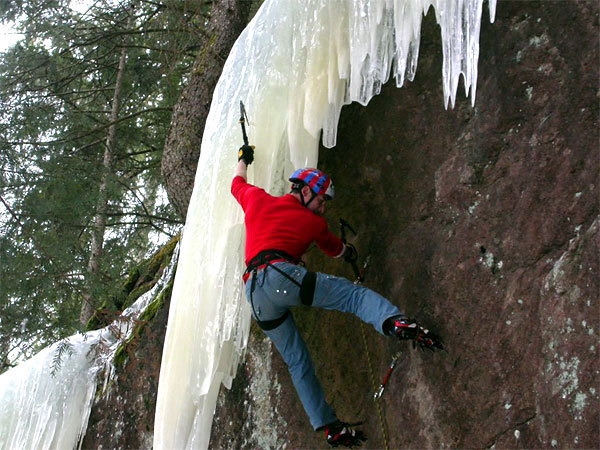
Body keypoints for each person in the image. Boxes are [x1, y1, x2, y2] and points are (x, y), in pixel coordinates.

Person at [231, 144, 443, 448]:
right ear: (305, 192)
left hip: (254, 295)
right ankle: (395, 322)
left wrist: (243, 159)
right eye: (321, 200)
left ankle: (328, 426)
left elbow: (236, 183)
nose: (323, 208)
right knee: (352, 297)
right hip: (280, 275)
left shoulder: (257, 199)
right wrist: (349, 251)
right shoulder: (314, 223)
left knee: (297, 361)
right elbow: (334, 249)